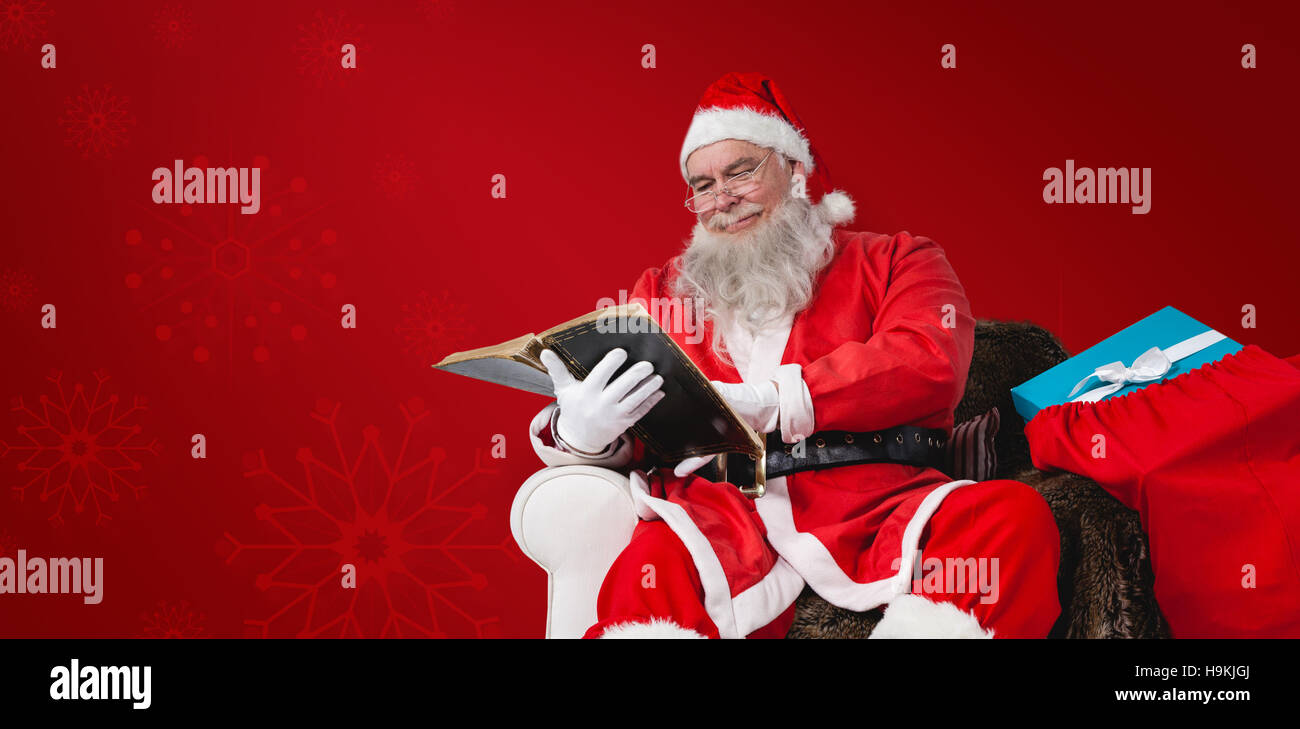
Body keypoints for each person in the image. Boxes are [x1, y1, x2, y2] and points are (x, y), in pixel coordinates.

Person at [526, 72, 1061, 638]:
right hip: (716, 518)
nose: (722, 199)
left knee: (1010, 520)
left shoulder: (902, 260)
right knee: (648, 573)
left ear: (796, 172)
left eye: (741, 172)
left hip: (876, 500)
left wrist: (775, 401)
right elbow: (637, 425)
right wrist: (586, 434)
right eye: (702, 185)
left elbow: (929, 359)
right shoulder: (659, 294)